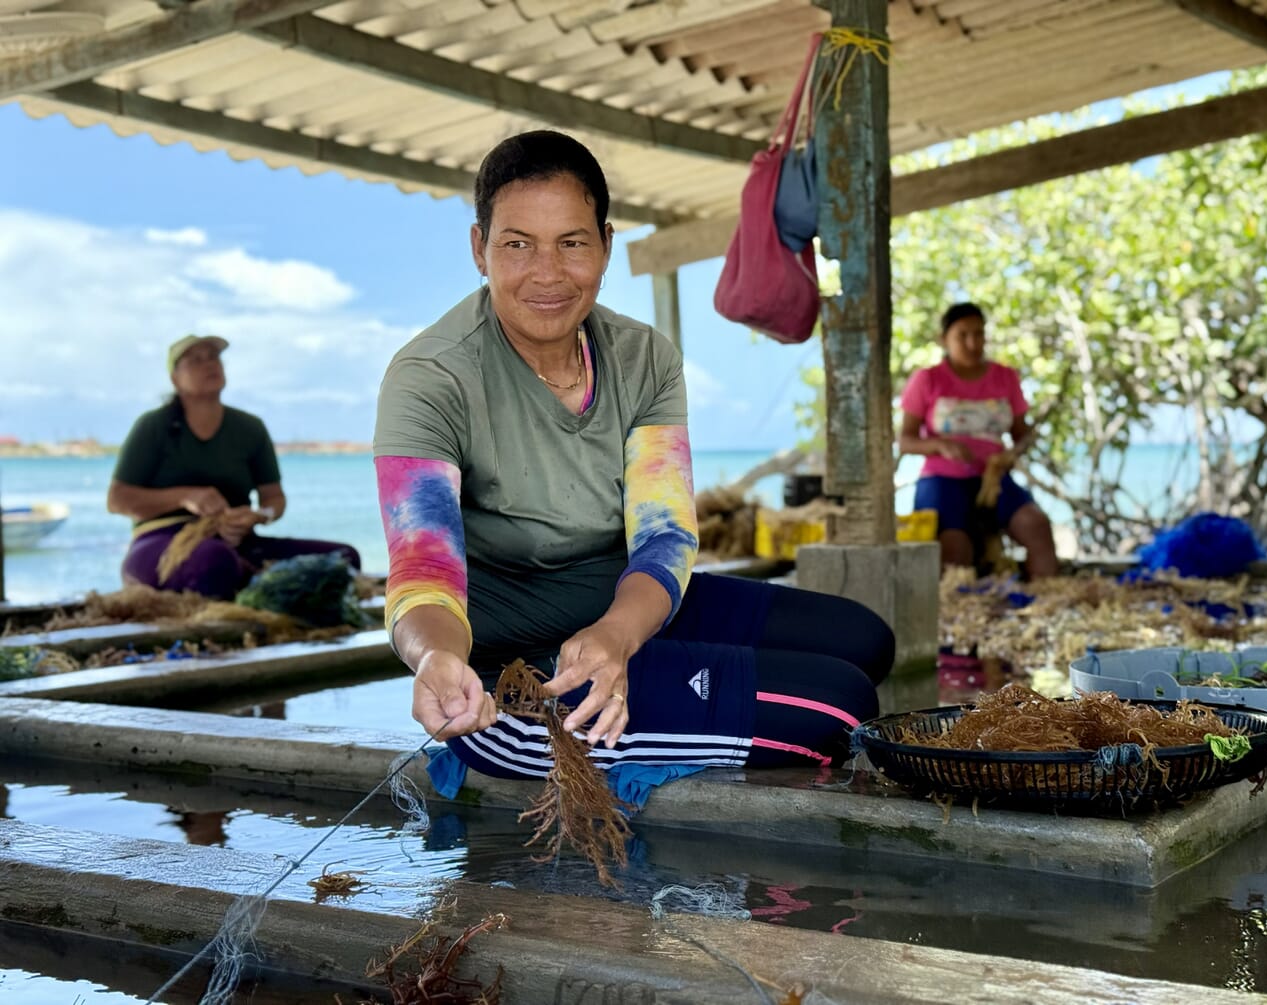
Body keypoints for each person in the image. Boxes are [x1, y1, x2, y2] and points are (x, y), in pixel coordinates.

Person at [374, 130, 894, 782]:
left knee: (865, 639)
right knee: (841, 706)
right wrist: (435, 660)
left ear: (607, 245)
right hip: (517, 675)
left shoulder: (643, 357)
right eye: (516, 245)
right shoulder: (430, 377)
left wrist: (619, 635)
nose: (546, 272)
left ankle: (668, 683)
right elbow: (423, 570)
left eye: (572, 242)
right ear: (479, 248)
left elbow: (665, 535)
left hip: (627, 612)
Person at [107, 335, 361, 599]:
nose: (209, 364)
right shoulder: (153, 426)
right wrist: (186, 497)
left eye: (214, 357)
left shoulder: (250, 427)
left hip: (239, 541)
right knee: (215, 561)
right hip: (164, 542)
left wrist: (258, 516)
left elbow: (274, 499)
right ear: (175, 379)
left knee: (344, 559)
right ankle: (250, 581)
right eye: (196, 360)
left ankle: (248, 578)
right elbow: (117, 500)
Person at [898, 302, 1057, 579]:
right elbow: (905, 440)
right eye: (963, 335)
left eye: (979, 334)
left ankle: (1048, 600)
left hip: (992, 480)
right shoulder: (927, 379)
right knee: (954, 550)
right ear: (944, 339)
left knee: (1037, 526)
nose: (973, 343)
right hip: (941, 479)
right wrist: (940, 445)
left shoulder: (1005, 377)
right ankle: (961, 612)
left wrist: (1013, 453)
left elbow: (1023, 434)